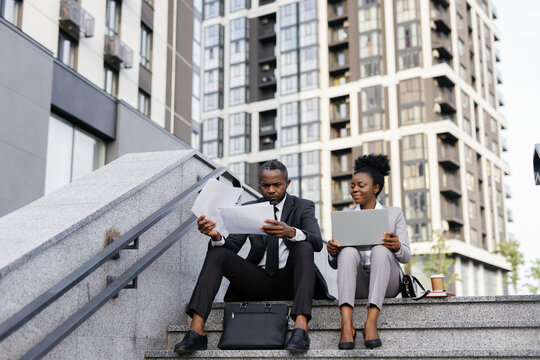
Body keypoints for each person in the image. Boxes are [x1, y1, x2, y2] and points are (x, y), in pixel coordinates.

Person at [175, 160, 332, 354]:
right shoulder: (250, 208)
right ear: (260, 185)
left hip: (291, 280)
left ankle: (300, 328)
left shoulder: (303, 206)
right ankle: (196, 331)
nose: (271, 190)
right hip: (257, 280)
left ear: (287, 183)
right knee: (218, 252)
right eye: (266, 186)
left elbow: (317, 241)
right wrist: (215, 235)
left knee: (304, 245)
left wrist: (291, 232)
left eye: (277, 185)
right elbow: (232, 246)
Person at [327, 154, 410, 350]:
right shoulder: (346, 216)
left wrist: (396, 246)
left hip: (387, 283)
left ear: (375, 188)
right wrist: (332, 252)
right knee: (347, 252)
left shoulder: (394, 214)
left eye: (360, 185)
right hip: (357, 285)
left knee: (381, 250)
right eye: (352, 186)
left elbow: (406, 256)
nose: (354, 189)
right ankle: (346, 325)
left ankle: (371, 322)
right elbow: (334, 264)